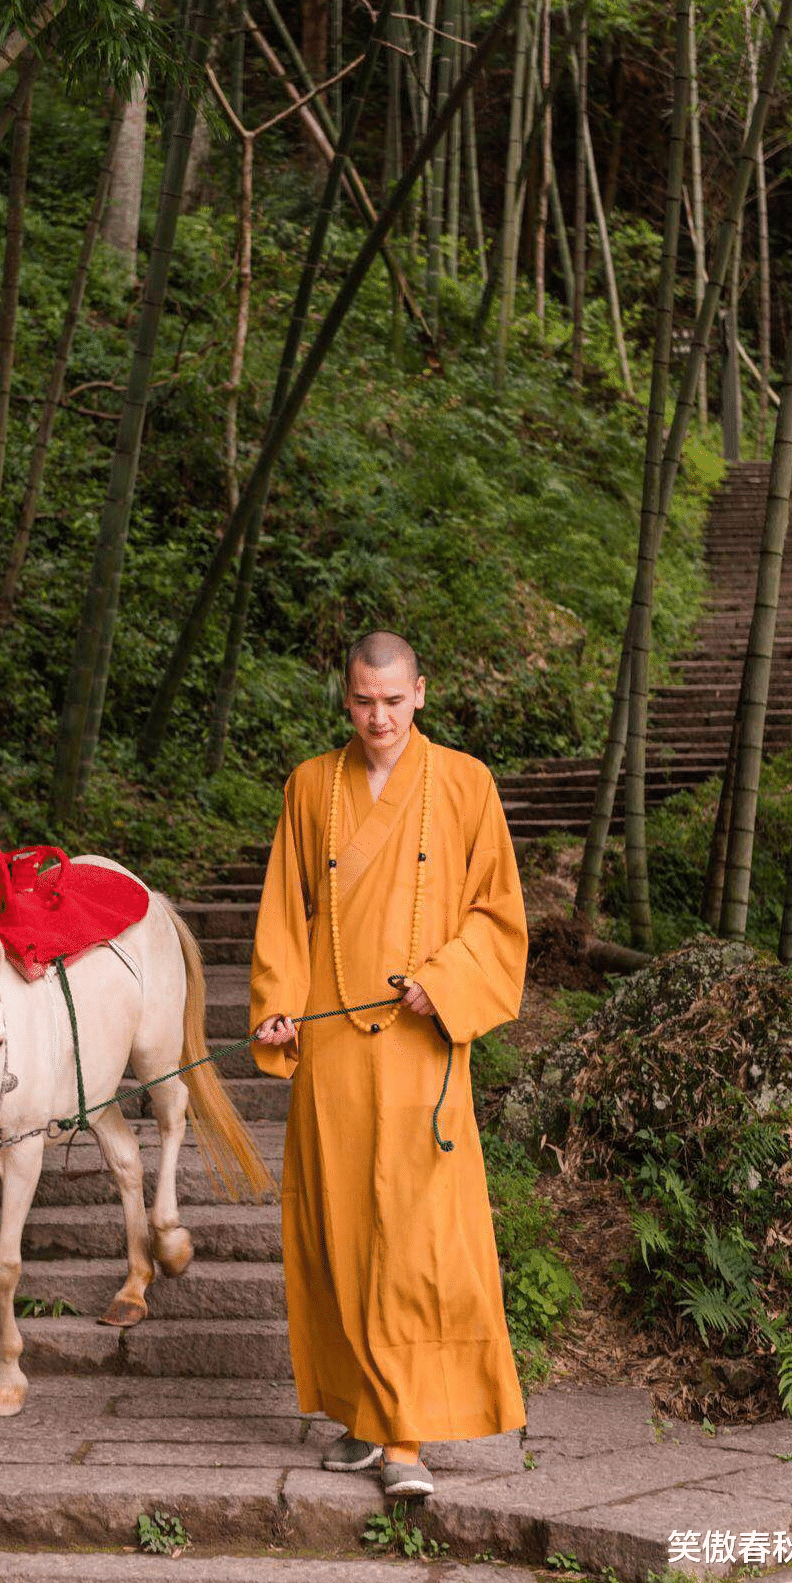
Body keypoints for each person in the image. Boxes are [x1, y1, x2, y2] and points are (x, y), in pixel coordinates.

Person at [249, 630, 529, 1498]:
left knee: (417, 1237)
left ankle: (407, 1434)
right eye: (363, 701)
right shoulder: (309, 786)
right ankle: (361, 1416)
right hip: (332, 1041)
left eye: (393, 701)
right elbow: (283, 912)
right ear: (346, 699)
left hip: (420, 1045)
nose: (378, 717)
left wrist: (443, 983)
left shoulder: (466, 784)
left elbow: (496, 913)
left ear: (421, 695)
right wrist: (277, 1003)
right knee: (337, 1227)